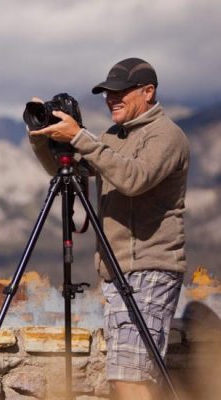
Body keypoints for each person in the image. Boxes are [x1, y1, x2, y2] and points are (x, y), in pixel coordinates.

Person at [27, 57, 189, 400]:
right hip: (118, 271)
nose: (110, 98)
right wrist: (43, 138)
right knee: (126, 376)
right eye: (106, 93)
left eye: (119, 92)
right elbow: (69, 170)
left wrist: (81, 137)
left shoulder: (167, 136)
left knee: (132, 379)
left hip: (151, 266)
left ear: (148, 92)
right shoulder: (112, 137)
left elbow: (134, 179)